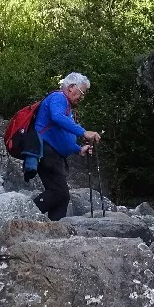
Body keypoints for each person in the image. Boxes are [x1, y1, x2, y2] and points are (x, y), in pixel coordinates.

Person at [33, 73, 101, 221]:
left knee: (62, 197)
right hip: (46, 151)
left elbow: (62, 135)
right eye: (82, 92)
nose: (82, 97)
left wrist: (78, 149)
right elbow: (57, 117)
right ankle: (26, 214)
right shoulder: (58, 98)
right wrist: (83, 132)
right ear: (71, 87)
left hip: (53, 153)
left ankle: (56, 232)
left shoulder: (65, 104)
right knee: (59, 193)